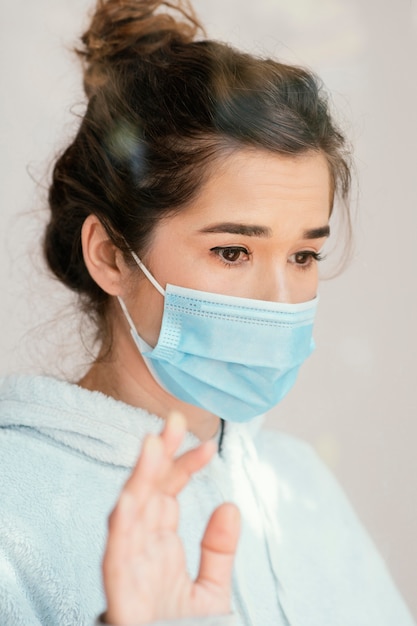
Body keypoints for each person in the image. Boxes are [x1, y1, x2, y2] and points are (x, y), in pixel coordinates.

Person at [0, 0, 414, 625]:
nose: (281, 300)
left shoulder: (300, 486)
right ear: (111, 255)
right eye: (232, 250)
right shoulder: (13, 506)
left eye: (304, 256)